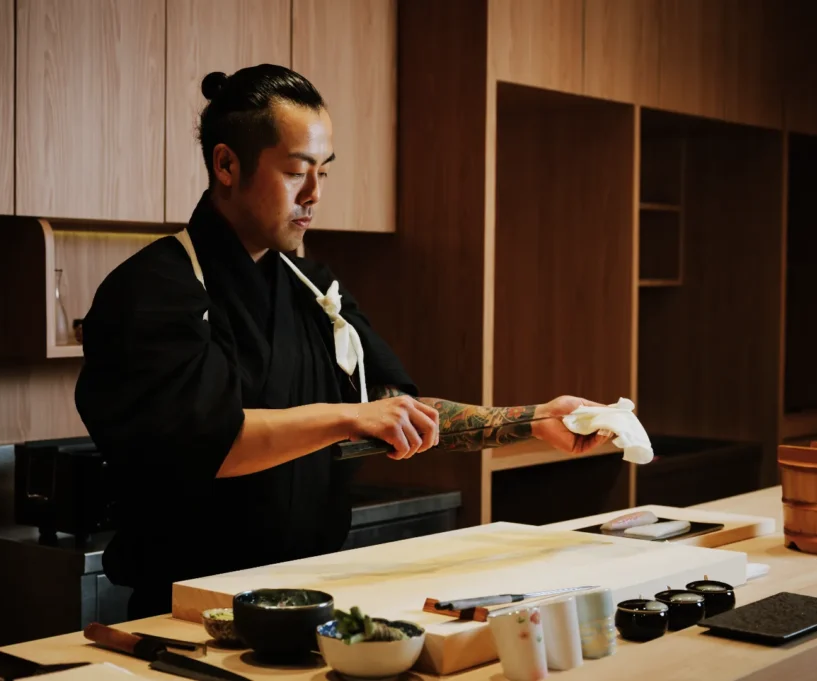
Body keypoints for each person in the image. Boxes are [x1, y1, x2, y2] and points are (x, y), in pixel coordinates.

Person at [73, 64, 610, 620]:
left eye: (323, 173)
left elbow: (392, 414)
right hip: (183, 611)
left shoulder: (316, 289)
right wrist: (345, 418)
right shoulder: (156, 290)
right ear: (227, 164)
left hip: (312, 602)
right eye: (295, 172)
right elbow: (213, 442)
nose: (313, 194)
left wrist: (535, 419)